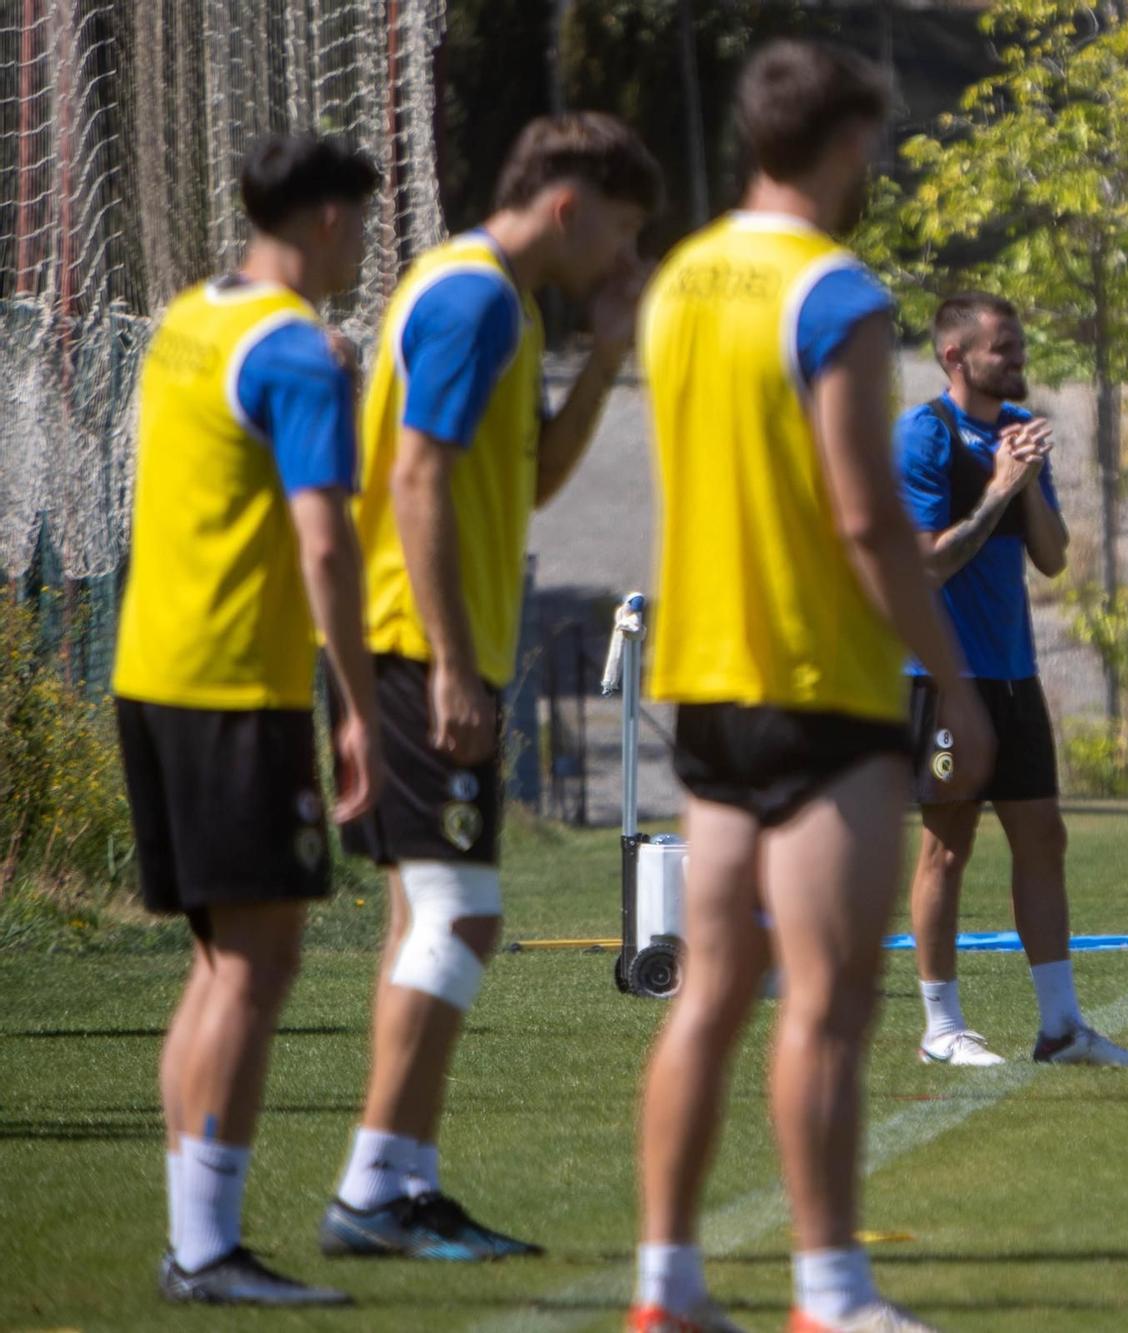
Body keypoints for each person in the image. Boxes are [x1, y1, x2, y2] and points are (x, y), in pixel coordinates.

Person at [630, 40, 993, 1333]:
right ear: (841, 146)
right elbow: (863, 519)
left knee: (715, 989)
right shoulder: (833, 291)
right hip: (824, 685)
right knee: (832, 1001)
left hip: (710, 681)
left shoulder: (678, 282)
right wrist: (950, 682)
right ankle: (831, 1292)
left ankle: (665, 1285)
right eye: (871, 146)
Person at [321, 113, 662, 1260]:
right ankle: (373, 1189)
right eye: (620, 232)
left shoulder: (502, 304)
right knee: (463, 915)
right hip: (418, 654)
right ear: (567, 205)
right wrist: (453, 664)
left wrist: (609, 350)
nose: (622, 259)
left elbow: (532, 485)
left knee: (428, 916)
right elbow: (414, 481)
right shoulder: (469, 297)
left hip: (428, 653)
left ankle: (404, 1187)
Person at [116, 132, 383, 1305]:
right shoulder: (294, 353)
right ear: (326, 219)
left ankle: (194, 1235)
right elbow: (326, 539)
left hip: (153, 673)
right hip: (237, 686)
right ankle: (206, 1249)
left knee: (218, 964)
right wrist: (362, 711)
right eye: (364, 223)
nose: (368, 244)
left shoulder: (191, 319)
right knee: (259, 966)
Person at [898, 291, 1128, 1069]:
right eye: (1002, 349)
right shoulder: (926, 434)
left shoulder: (1016, 432)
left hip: (1014, 675)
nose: (1018, 360)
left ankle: (1061, 1027)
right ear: (955, 356)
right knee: (948, 844)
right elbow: (927, 560)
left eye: (1018, 346)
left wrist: (1030, 476)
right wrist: (1000, 488)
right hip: (944, 677)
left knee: (1044, 835)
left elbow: (1050, 555)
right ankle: (941, 1026)